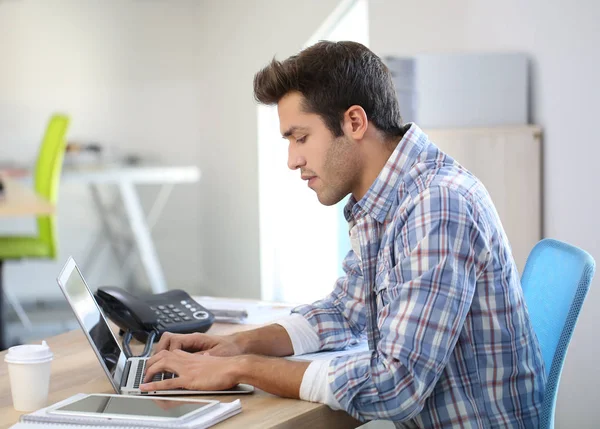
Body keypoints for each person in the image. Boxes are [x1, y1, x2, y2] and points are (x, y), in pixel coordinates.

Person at [141, 41, 545, 428]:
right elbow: (346, 311)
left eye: (301, 138)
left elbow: (395, 385)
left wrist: (241, 369)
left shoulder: (437, 204)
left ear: (354, 122)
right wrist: (239, 346)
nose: (292, 160)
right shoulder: (389, 199)